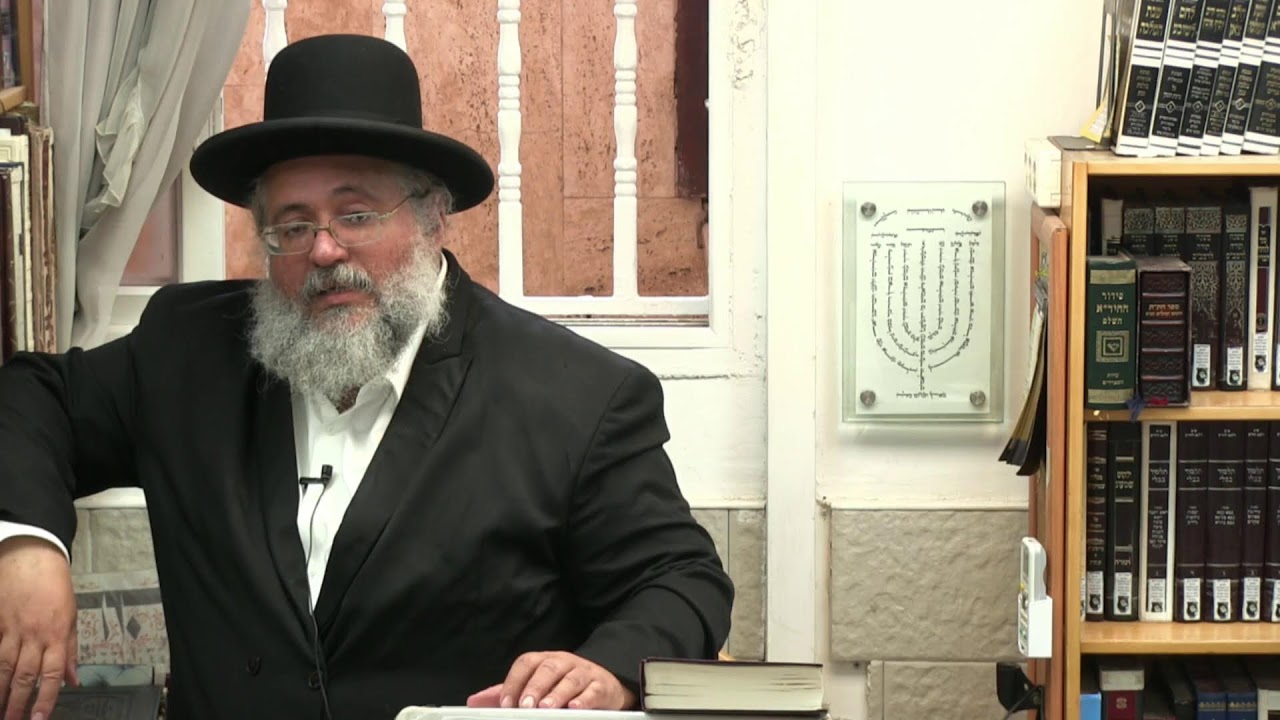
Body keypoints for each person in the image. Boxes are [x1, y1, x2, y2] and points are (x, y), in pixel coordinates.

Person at [0, 33, 733, 720]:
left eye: (356, 215)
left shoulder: (577, 396)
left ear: (433, 218)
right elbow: (32, 399)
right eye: (293, 225)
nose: (323, 250)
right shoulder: (187, 351)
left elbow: (679, 579)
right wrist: (27, 544)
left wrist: (605, 670)